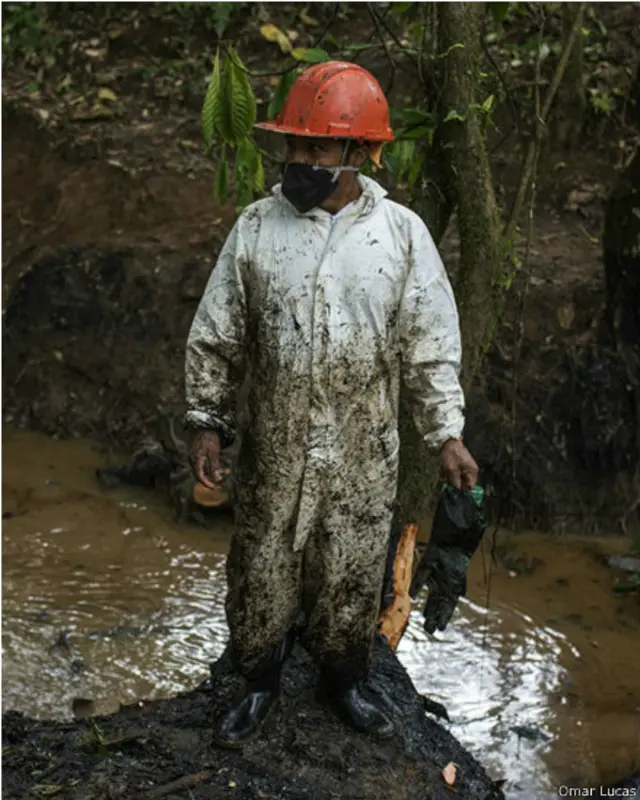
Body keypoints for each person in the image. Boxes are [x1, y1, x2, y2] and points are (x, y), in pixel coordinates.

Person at [185, 61, 478, 747]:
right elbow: (216, 332)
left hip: (361, 447)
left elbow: (430, 345)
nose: (298, 159)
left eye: (315, 147)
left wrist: (447, 434)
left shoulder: (401, 237)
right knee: (260, 566)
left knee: (350, 567)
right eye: (292, 144)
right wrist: (206, 420)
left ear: (358, 153)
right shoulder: (256, 229)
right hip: (275, 443)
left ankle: (343, 679)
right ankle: (257, 681)